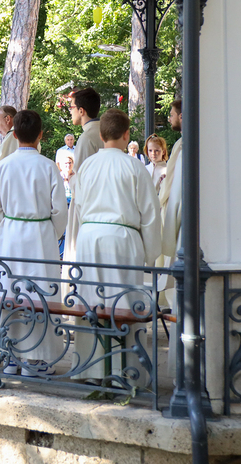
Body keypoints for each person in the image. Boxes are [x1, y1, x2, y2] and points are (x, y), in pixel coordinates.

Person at [69, 109, 161, 383]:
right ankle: (125, 372)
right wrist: (150, 254)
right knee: (124, 301)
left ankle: (92, 370)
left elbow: (79, 206)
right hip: (122, 240)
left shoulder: (87, 166)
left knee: (92, 301)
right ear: (127, 134)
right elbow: (150, 213)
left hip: (90, 238)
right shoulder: (134, 167)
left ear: (100, 135)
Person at [0, 111, 67, 376]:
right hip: (40, 237)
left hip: (11, 237)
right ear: (40, 135)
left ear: (15, 134)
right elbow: (60, 210)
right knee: (39, 294)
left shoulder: (3, 166)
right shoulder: (48, 166)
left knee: (11, 293)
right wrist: (50, 233)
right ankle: (36, 360)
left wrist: (10, 224)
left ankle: (11, 356)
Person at [63, 88, 105, 263]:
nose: (70, 111)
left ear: (81, 111)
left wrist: (71, 177)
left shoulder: (87, 137)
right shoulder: (104, 132)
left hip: (87, 209)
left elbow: (83, 183)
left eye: (72, 107)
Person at [158, 101, 183, 307]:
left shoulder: (183, 145)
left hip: (178, 209)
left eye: (172, 114)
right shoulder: (182, 143)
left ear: (182, 117)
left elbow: (176, 181)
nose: (169, 118)